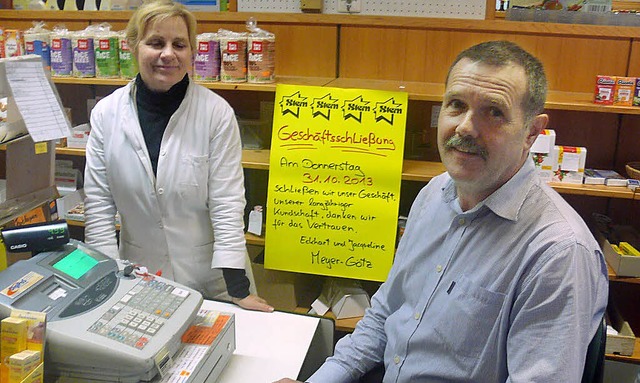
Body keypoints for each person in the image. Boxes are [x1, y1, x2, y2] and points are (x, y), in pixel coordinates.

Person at [275, 40, 608, 382]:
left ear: (532, 133)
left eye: (494, 112)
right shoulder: (434, 193)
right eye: (456, 105)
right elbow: (384, 316)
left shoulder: (559, 254)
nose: (465, 127)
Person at [83, 0, 272, 312]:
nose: (167, 54)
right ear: (134, 47)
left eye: (179, 44)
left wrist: (237, 287)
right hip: (138, 273)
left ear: (193, 52)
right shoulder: (107, 114)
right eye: (156, 42)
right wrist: (105, 282)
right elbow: (99, 206)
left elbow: (227, 203)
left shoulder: (215, 113)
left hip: (212, 277)